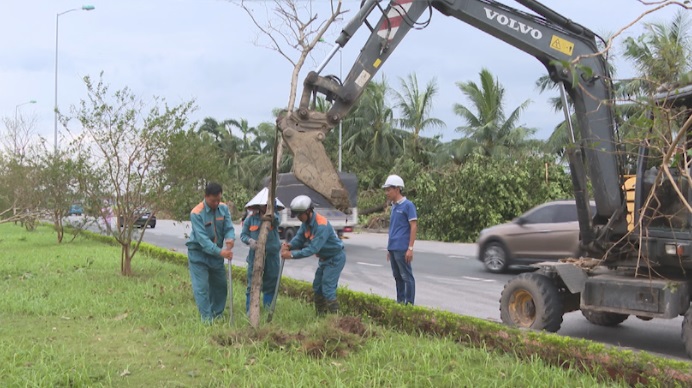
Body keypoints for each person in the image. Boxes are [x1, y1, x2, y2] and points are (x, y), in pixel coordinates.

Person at [281, 195, 345, 315]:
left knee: (328, 289)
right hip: (324, 259)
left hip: (335, 258)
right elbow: (299, 238)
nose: (299, 218)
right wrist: (290, 245)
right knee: (317, 287)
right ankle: (320, 316)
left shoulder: (321, 225)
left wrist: (292, 255)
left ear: (308, 211)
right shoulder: (306, 223)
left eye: (300, 215)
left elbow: (313, 249)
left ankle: (335, 320)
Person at [186, 182, 235, 323]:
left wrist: (230, 238)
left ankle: (217, 314)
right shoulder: (196, 213)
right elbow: (203, 240)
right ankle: (207, 320)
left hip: (216, 255)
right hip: (198, 254)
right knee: (201, 288)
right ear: (206, 197)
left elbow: (229, 227)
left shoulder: (224, 208)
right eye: (213, 200)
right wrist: (221, 252)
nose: (216, 203)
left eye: (219, 199)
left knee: (220, 286)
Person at [240, 188, 283, 313]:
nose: (265, 207)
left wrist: (271, 212)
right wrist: (250, 241)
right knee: (252, 282)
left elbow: (276, 220)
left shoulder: (275, 217)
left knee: (271, 282)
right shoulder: (250, 219)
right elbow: (243, 235)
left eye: (268, 205)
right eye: (264, 205)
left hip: (272, 255)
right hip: (255, 255)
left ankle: (269, 308)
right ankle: (250, 310)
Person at [382, 174, 417, 305]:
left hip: (402, 248)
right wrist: (388, 248)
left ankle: (409, 304)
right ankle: (400, 301)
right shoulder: (394, 206)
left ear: (397, 189)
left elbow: (413, 226)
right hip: (393, 248)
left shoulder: (408, 205)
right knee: (397, 277)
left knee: (407, 277)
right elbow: (393, 228)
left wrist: (410, 248)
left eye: (389, 190)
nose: (387, 193)